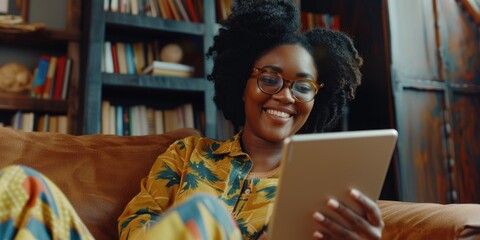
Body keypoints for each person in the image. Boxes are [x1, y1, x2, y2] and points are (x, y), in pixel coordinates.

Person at [0, 0, 383, 239]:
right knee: (21, 184)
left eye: (302, 87)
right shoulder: (187, 154)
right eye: (270, 79)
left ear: (319, 97)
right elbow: (133, 228)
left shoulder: (322, 186)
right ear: (242, 82)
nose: (285, 95)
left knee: (206, 211)